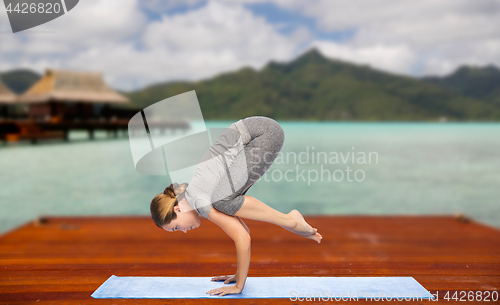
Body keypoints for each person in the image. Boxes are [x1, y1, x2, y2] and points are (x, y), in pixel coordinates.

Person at [150, 116, 322, 297]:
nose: (184, 231)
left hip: (261, 133)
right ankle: (290, 220)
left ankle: (290, 220)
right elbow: (243, 232)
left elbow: (242, 238)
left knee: (222, 201)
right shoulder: (197, 195)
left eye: (177, 227)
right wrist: (239, 274)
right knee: (225, 200)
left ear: (177, 209)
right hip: (259, 131)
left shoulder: (200, 202)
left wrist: (239, 286)